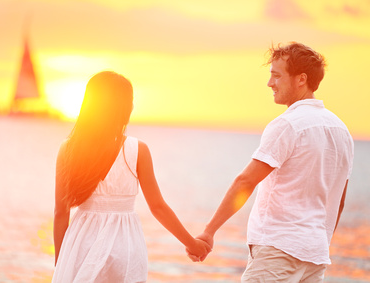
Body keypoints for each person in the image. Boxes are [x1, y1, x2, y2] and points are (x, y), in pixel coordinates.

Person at [188, 42, 354, 282]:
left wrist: (209, 231)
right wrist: (320, 241)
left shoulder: (287, 124)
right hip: (315, 255)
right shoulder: (342, 132)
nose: (269, 83)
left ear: (301, 79)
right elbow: (339, 201)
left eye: (276, 76)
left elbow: (245, 182)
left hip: (278, 252)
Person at [52, 71, 210, 283]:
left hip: (81, 244)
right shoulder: (137, 150)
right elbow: (158, 207)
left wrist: (60, 263)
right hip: (124, 245)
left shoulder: (69, 149)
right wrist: (192, 244)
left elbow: (61, 213)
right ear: (124, 108)